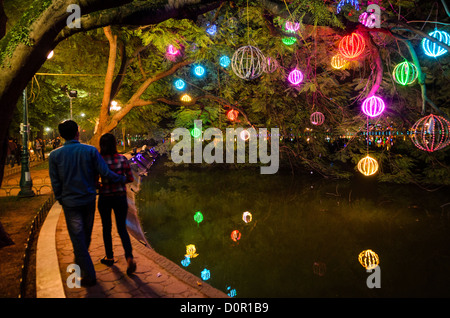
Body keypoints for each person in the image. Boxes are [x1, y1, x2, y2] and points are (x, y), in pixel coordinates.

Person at [48, 120, 126, 287]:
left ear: (61, 136)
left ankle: (82, 272)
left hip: (70, 202)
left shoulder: (55, 155)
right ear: (78, 132)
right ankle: (89, 274)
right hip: (88, 200)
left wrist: (60, 198)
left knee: (79, 239)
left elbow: (55, 182)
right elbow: (105, 172)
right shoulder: (90, 151)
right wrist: (122, 179)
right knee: (83, 237)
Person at [97, 133, 136, 275]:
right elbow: (130, 178)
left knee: (106, 228)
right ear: (115, 144)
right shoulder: (122, 159)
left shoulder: (99, 160)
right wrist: (119, 180)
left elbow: (95, 181)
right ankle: (129, 257)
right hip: (120, 197)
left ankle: (109, 257)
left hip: (105, 198)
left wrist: (102, 184)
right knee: (122, 229)